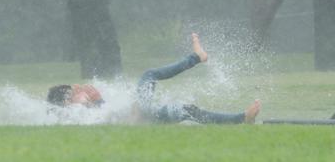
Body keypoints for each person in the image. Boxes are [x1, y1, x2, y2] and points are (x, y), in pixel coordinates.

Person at [47, 33, 261, 124]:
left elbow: (113, 111)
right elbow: (118, 120)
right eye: (76, 91)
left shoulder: (91, 109)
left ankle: (197, 57)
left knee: (155, 80)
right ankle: (241, 119)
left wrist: (94, 98)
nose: (83, 88)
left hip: (146, 112)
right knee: (185, 109)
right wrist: (84, 100)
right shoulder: (79, 113)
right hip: (146, 115)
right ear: (69, 101)